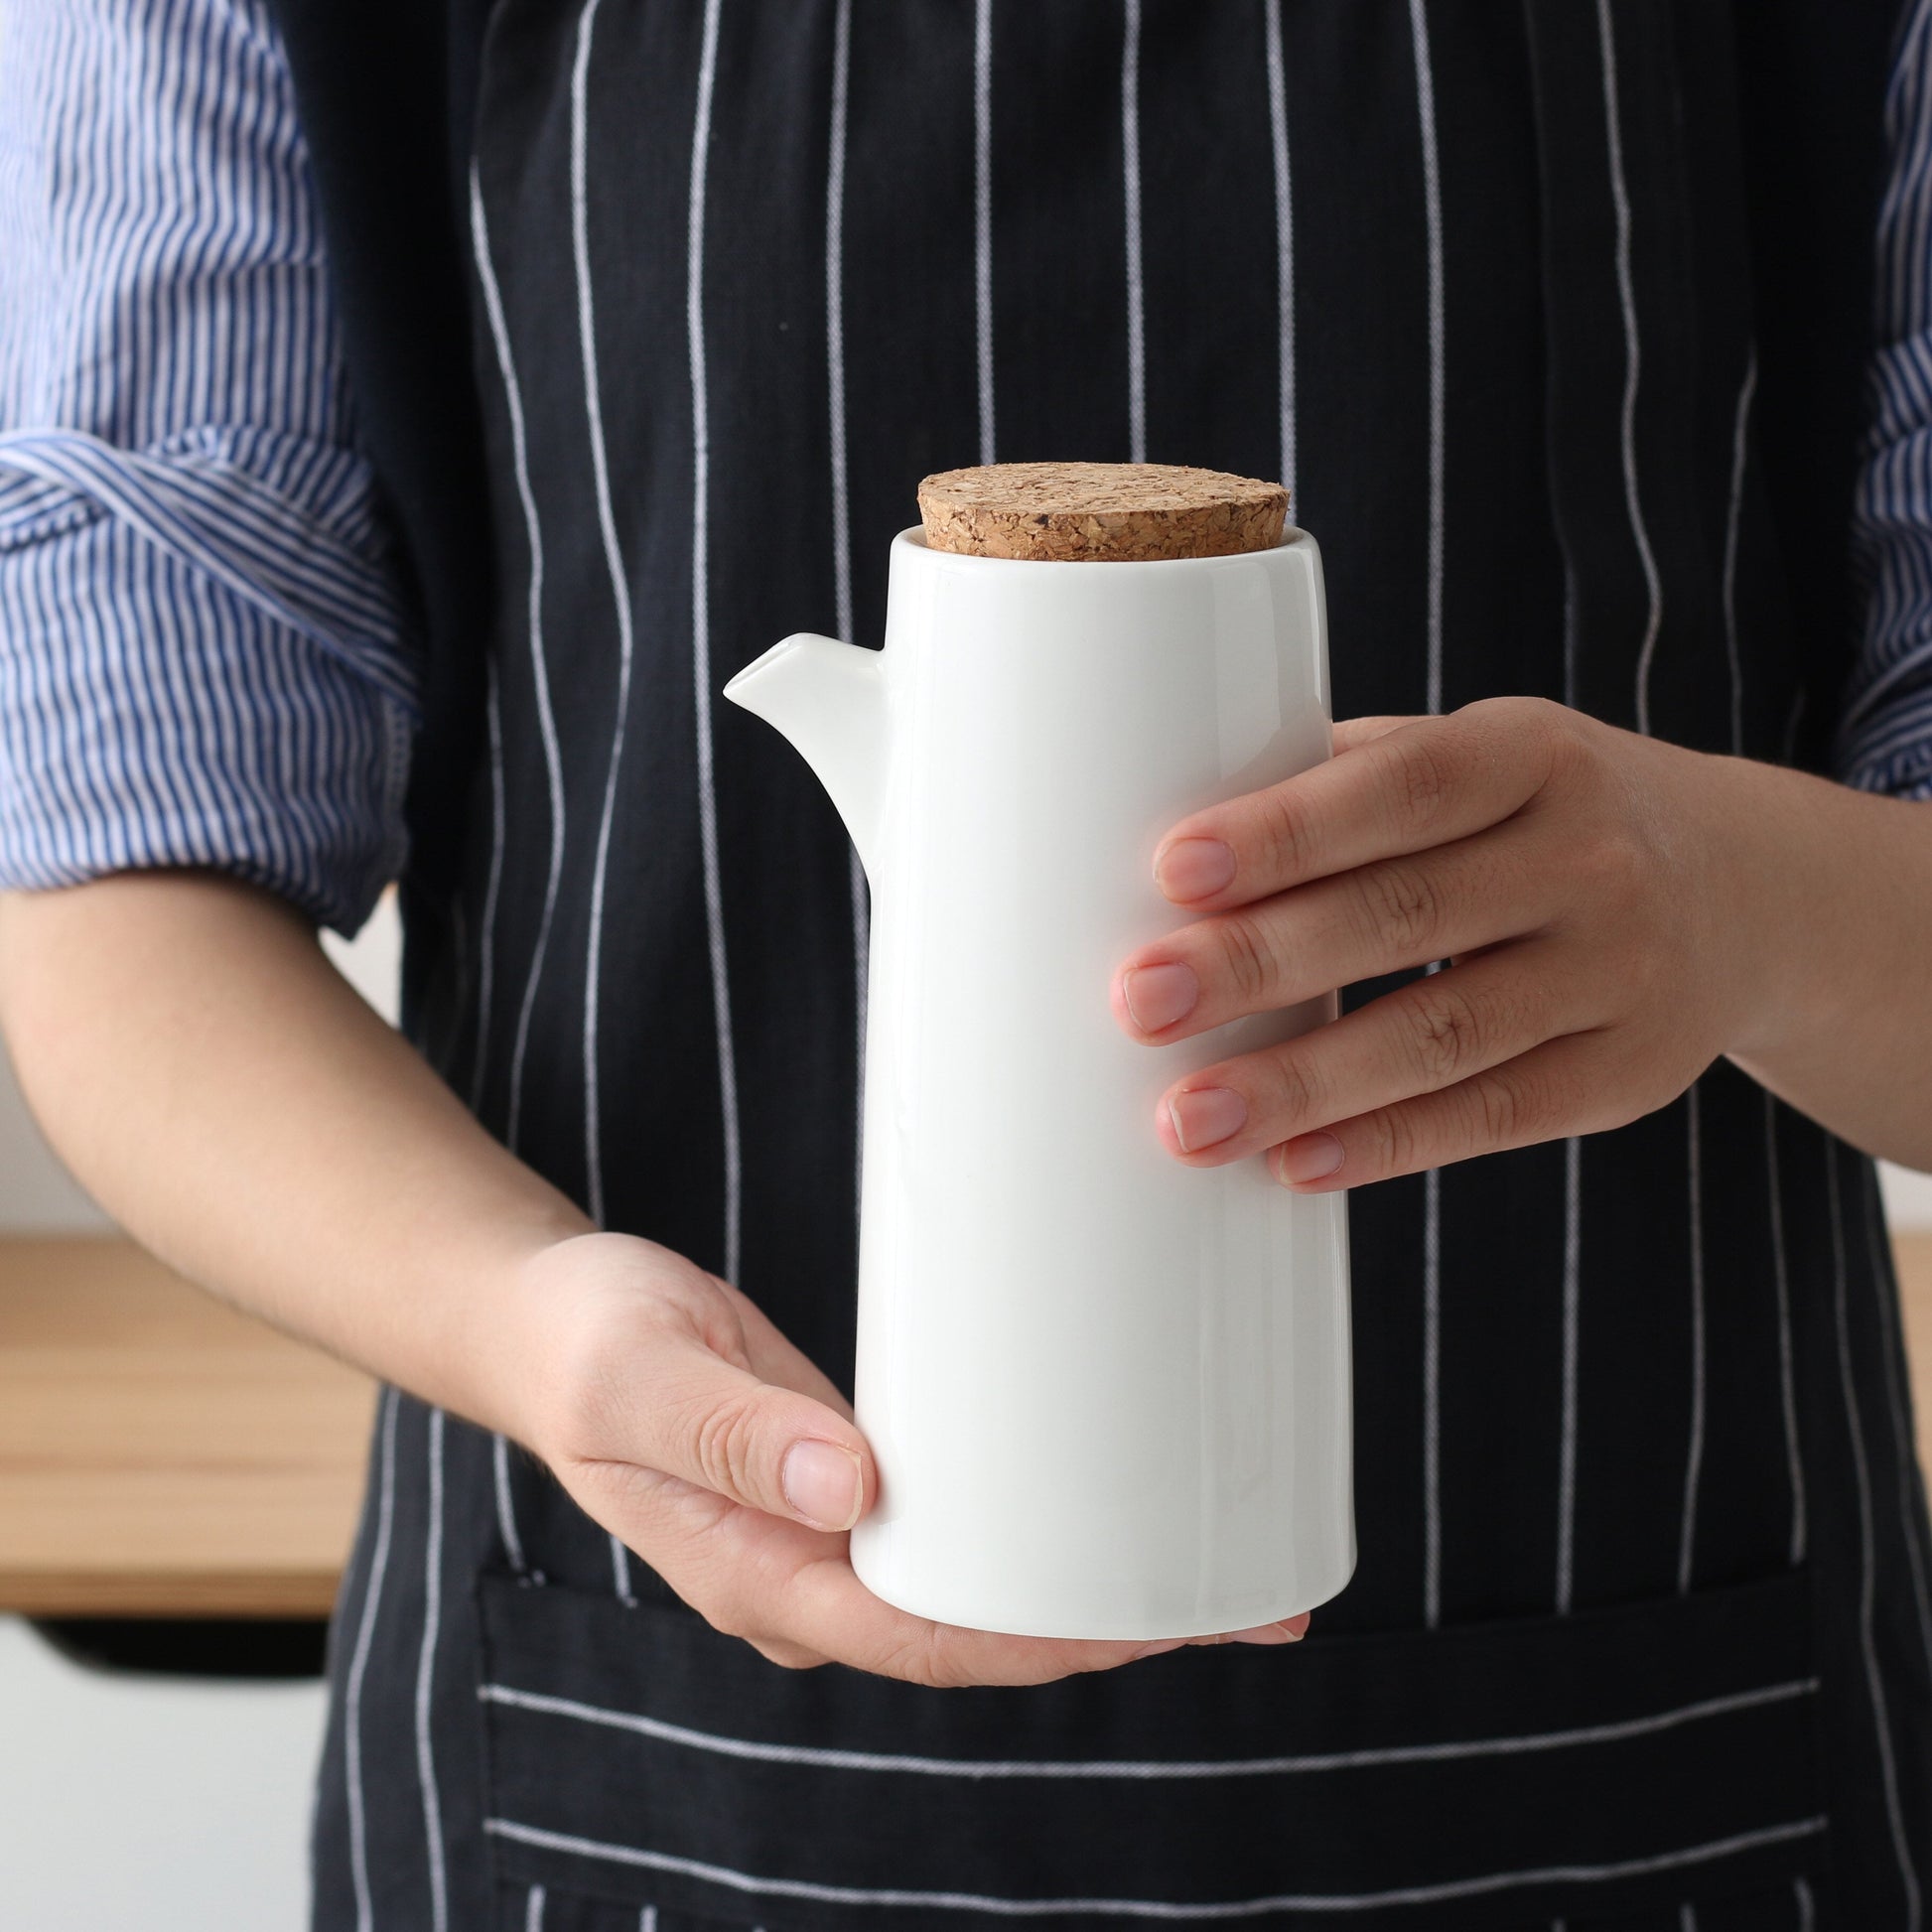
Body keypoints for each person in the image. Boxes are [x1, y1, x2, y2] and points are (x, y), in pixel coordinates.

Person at [3, 0, 1932, 1923]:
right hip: (638, 1790)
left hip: (1655, 1788)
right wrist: (524, 1320)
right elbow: (111, 877)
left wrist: (1740, 899)